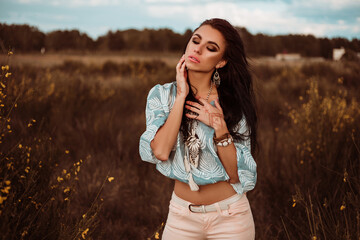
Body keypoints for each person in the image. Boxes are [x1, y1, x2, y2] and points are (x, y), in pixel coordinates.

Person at [139, 18, 257, 240]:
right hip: (181, 216)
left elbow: (236, 175)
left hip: (230, 217)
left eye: (211, 48)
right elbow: (161, 152)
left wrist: (220, 128)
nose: (198, 49)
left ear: (221, 62)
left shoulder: (232, 103)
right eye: (196, 41)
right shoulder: (162, 95)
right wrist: (181, 96)